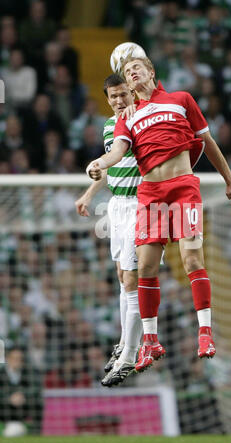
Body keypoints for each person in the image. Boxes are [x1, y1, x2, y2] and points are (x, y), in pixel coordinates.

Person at [86, 56, 231, 374]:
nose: (132, 73)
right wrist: (99, 163)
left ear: (151, 72)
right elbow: (117, 152)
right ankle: (151, 341)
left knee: (191, 259)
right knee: (144, 267)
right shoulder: (127, 118)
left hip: (183, 187)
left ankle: (205, 333)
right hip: (150, 194)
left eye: (137, 68)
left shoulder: (181, 100)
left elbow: (207, 141)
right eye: (128, 71)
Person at [75, 74, 143, 386]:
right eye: (112, 97)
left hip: (142, 203)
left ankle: (131, 351)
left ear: (133, 93)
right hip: (117, 205)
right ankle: (125, 342)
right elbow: (110, 165)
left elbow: (114, 157)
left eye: (123, 95)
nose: (118, 101)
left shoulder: (143, 118)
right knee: (121, 276)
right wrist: (89, 193)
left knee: (132, 278)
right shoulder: (108, 126)